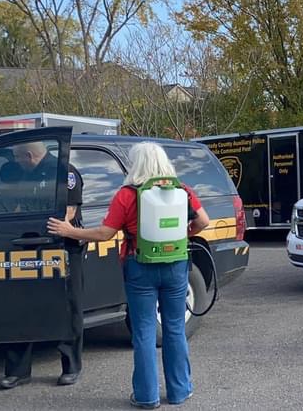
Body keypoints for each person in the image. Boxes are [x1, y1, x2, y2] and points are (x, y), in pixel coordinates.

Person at [48, 142, 210, 409]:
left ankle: (147, 397)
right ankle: (180, 391)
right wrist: (180, 237)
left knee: (145, 331)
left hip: (139, 266)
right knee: (174, 328)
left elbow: (104, 233)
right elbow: (203, 222)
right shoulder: (182, 190)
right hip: (176, 266)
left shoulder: (127, 194)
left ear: (137, 164)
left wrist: (68, 231)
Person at [0, 142, 85, 390]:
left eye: (17, 157)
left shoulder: (64, 171)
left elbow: (67, 213)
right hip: (28, 247)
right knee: (20, 307)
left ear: (29, 155)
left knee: (68, 309)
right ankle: (17, 371)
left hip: (62, 248)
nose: (15, 162)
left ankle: (71, 367)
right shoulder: (23, 174)